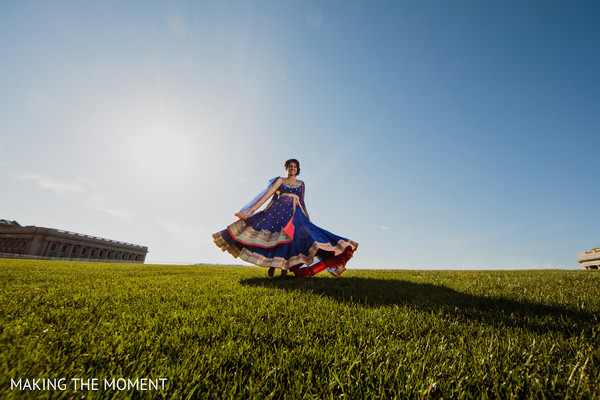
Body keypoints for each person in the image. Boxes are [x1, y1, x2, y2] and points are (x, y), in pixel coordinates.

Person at [212, 159, 358, 277]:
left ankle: (283, 269)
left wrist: (307, 218)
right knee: (276, 239)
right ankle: (272, 266)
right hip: (278, 212)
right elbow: (268, 195)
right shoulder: (280, 180)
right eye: (290, 166)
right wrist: (250, 212)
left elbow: (302, 201)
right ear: (286, 168)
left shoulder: (301, 184)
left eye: (294, 167)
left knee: (292, 239)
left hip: (295, 213)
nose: (292, 168)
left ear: (297, 169)